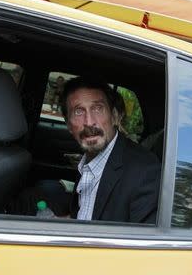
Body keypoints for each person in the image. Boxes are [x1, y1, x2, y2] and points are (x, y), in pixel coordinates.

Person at [60, 76, 160, 223]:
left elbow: (140, 243)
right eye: (78, 112)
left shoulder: (145, 173)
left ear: (114, 117)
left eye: (98, 108)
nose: (89, 122)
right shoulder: (89, 162)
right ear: (68, 125)